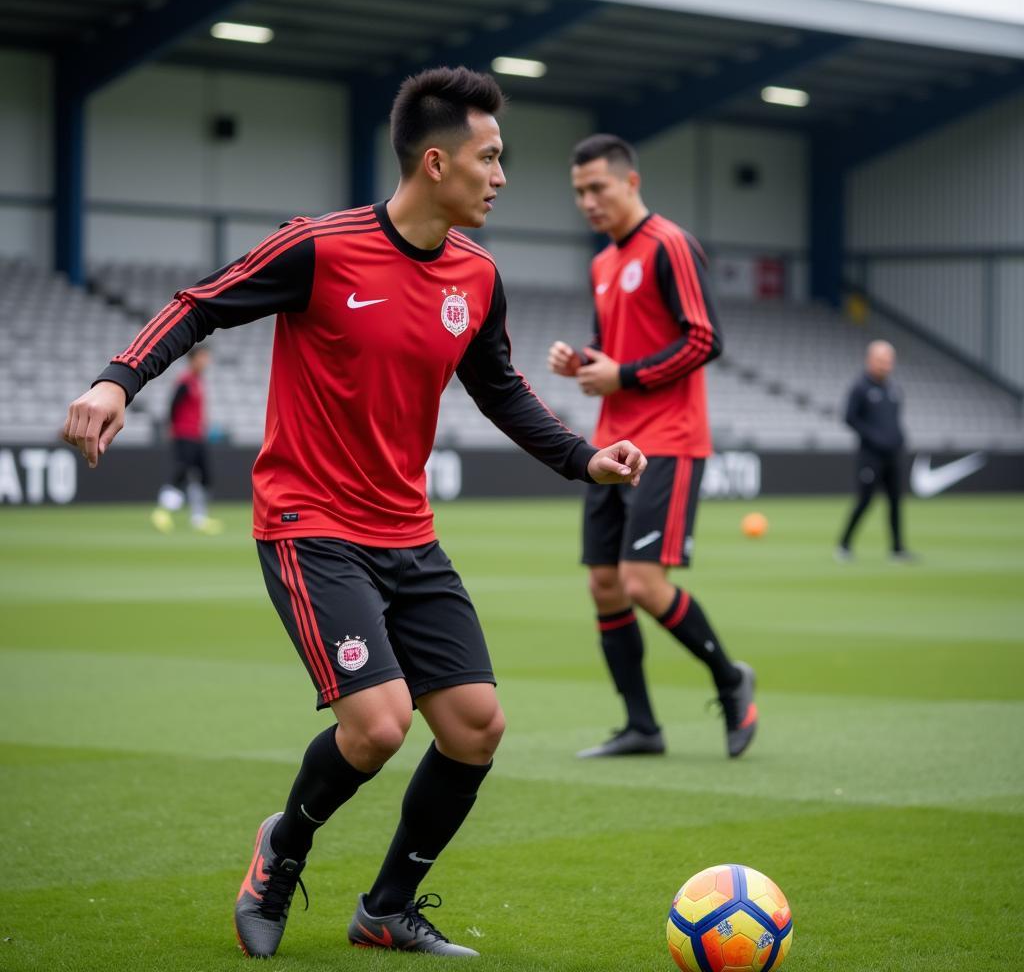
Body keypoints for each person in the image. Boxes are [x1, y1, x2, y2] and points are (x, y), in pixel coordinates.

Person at [63, 68, 646, 960]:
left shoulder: (478, 276)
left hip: (407, 532)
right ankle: (281, 851)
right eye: (491, 158)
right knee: (379, 724)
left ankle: (386, 909)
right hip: (309, 524)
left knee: (476, 726)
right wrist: (118, 379)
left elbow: (500, 389)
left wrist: (583, 456)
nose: (501, 176)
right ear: (437, 161)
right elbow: (200, 304)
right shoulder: (319, 247)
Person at [547, 134, 757, 761]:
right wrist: (584, 362)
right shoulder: (602, 264)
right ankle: (643, 726)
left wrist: (624, 376)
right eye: (579, 191)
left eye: (598, 188)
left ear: (630, 183)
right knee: (605, 586)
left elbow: (705, 339)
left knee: (641, 581)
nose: (588, 201)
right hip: (613, 443)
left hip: (668, 438)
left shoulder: (670, 244)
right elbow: (613, 347)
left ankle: (730, 678)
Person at [836, 339, 912, 561]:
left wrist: (899, 438)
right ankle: (844, 545)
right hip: (870, 456)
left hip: (893, 454)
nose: (884, 364)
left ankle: (897, 548)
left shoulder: (894, 389)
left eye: (888, 360)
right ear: (870, 360)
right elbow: (849, 417)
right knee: (865, 500)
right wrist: (874, 437)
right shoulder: (860, 387)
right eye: (880, 360)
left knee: (896, 501)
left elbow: (895, 420)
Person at [150, 345, 223, 534]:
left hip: (197, 435)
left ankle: (199, 518)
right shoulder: (185, 381)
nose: (206, 361)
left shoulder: (198, 381)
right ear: (193, 359)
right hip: (184, 435)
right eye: (203, 357)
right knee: (182, 472)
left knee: (205, 475)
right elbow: (173, 407)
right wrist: (173, 429)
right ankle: (163, 512)